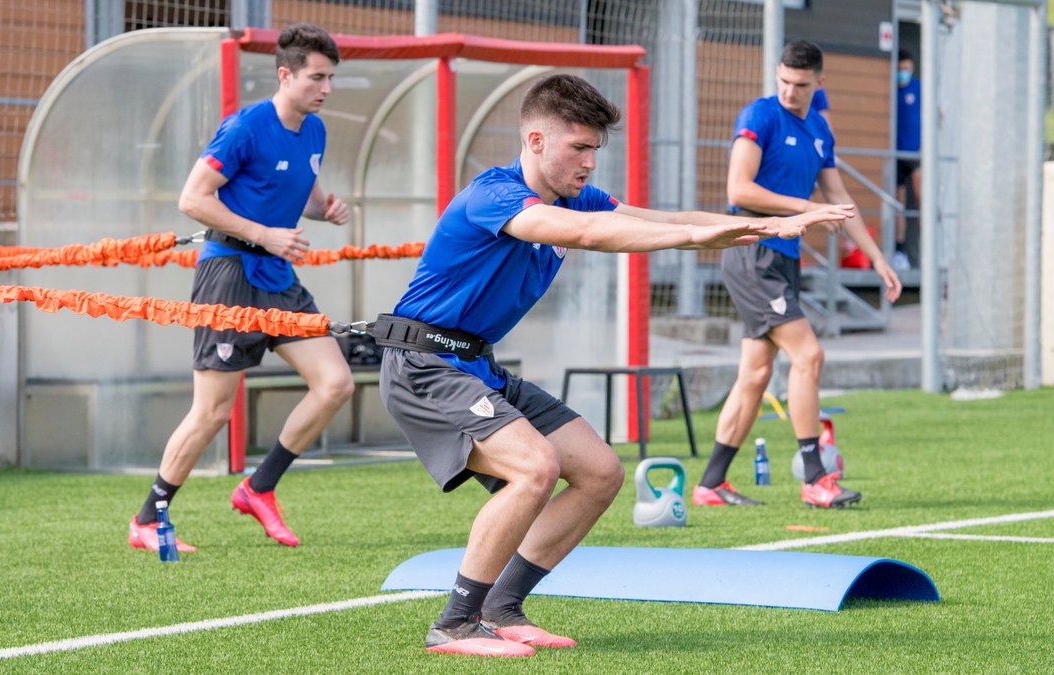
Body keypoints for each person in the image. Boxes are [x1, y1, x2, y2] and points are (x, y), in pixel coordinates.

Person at [374, 74, 855, 657]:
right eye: (578, 148)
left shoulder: (573, 196)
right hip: (426, 365)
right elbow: (592, 233)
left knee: (601, 472)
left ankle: (503, 607)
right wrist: (710, 231)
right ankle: (454, 624)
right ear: (535, 141)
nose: (589, 163)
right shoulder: (494, 196)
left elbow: (656, 219)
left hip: (476, 364)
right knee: (534, 468)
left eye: (594, 151)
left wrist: (764, 224)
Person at [128, 23, 353, 554]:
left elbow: (304, 196)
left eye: (330, 78)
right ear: (285, 74)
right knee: (211, 411)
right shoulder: (245, 128)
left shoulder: (314, 131)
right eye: (316, 78)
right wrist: (262, 234)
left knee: (335, 382)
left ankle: (259, 488)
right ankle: (147, 518)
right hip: (228, 273)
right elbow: (193, 199)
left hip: (278, 277)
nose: (325, 88)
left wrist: (329, 209)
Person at [691, 40, 901, 511]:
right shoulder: (760, 115)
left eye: (800, 85)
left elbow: (837, 197)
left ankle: (711, 484)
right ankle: (814, 478)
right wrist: (807, 210)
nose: (789, 91)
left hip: (781, 258)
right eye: (783, 81)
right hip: (752, 251)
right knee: (809, 355)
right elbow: (738, 188)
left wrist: (877, 258)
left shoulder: (820, 130)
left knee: (756, 375)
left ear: (817, 84)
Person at [893, 48, 921, 270]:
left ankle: (926, 250)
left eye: (906, 69)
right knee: (897, 204)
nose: (903, 73)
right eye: (900, 69)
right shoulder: (890, 90)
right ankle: (899, 251)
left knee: (922, 201)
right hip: (895, 155)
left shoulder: (918, 89)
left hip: (915, 154)